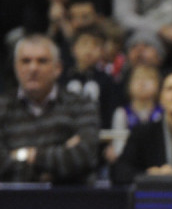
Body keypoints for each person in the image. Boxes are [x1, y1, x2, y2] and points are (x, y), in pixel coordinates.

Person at [1, 33, 99, 183]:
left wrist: (23, 155)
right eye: (26, 61)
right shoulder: (3, 106)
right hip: (13, 201)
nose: (33, 68)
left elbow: (85, 156)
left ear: (58, 68)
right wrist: (55, 169)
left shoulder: (81, 105)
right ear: (16, 67)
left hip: (70, 201)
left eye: (42, 61)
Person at [106, 62, 162, 162]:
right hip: (128, 161)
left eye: (148, 79)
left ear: (158, 85)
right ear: (129, 85)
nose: (142, 83)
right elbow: (118, 144)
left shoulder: (163, 112)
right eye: (137, 79)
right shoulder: (122, 113)